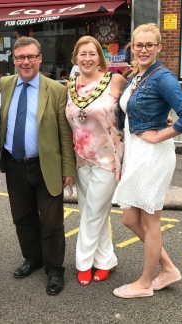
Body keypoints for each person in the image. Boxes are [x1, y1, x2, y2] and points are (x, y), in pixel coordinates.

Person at [111, 23, 182, 299]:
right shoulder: (136, 75)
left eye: (150, 45)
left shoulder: (163, 77)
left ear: (159, 47)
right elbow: (133, 112)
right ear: (132, 47)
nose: (144, 49)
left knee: (150, 222)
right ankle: (169, 268)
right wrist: (158, 119)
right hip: (137, 152)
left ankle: (146, 282)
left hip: (153, 154)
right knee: (129, 217)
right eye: (139, 44)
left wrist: (159, 136)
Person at [0, 36, 76, 295]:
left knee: (52, 222)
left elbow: (65, 133)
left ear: (40, 59)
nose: (26, 62)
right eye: (20, 57)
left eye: (31, 57)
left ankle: (54, 270)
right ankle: (32, 258)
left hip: (46, 166)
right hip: (15, 164)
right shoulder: (3, 84)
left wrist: (67, 169)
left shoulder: (56, 89)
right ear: (14, 60)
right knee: (22, 218)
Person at [65, 36, 127, 286]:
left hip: (108, 157)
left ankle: (83, 263)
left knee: (92, 212)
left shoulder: (115, 80)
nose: (87, 58)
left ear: (99, 57)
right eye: (82, 54)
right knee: (93, 211)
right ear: (75, 58)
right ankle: (106, 261)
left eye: (92, 53)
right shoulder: (70, 85)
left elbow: (139, 102)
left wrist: (160, 119)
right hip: (81, 158)